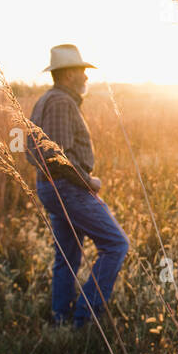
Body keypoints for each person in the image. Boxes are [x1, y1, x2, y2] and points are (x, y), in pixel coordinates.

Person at [27, 44, 129, 328]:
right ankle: (86, 319)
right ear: (69, 74)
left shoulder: (48, 100)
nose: (86, 77)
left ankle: (61, 319)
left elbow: (37, 152)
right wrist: (89, 182)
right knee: (116, 244)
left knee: (68, 255)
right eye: (82, 71)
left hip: (54, 188)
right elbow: (56, 156)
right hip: (67, 189)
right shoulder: (60, 102)